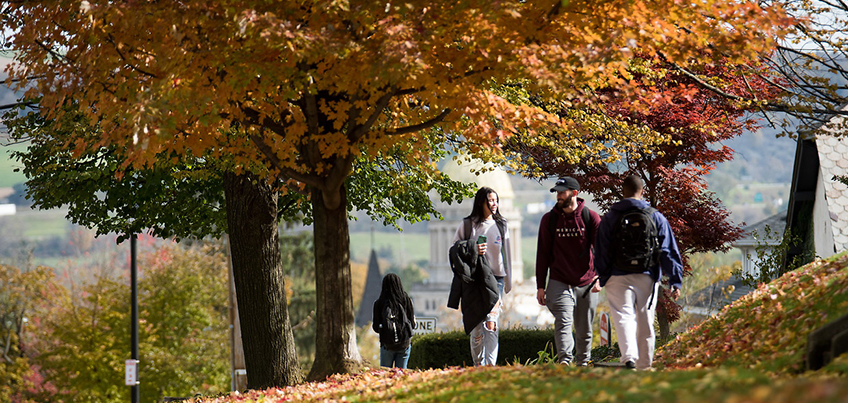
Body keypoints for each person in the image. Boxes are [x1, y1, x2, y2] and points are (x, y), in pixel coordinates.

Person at [595, 174, 683, 371]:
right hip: (647, 274)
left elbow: (600, 249)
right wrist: (675, 281)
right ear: (642, 191)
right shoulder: (655, 216)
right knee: (645, 317)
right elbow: (668, 250)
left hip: (617, 275)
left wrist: (603, 275)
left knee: (623, 315)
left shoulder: (610, 217)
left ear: (623, 192)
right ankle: (645, 365)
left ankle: (628, 358)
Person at [535, 176, 602, 366]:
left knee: (584, 328)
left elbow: (601, 251)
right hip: (559, 280)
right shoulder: (549, 220)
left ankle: (582, 363)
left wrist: (599, 277)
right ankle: (565, 361)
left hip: (587, 281)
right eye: (557, 192)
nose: (558, 196)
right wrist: (541, 285)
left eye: (562, 192)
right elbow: (543, 254)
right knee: (563, 321)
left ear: (574, 193)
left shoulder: (591, 217)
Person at [447, 186, 512, 366]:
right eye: (490, 200)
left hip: (496, 280)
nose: (494, 204)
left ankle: (490, 366)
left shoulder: (501, 224)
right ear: (481, 202)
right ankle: (478, 365)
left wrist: (509, 279)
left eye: (496, 200)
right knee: (477, 327)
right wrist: (472, 247)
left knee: (491, 322)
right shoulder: (468, 224)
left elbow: (508, 253)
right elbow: (454, 249)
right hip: (475, 280)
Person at [372, 273, 415, 368]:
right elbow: (412, 324)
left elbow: (375, 327)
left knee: (385, 373)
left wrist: (386, 331)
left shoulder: (379, 303)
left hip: (387, 344)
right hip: (404, 343)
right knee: (401, 374)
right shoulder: (406, 300)